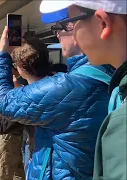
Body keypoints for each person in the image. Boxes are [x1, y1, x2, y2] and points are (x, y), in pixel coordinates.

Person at [0, 26, 114, 179]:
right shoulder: (109, 74)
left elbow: (3, 102)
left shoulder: (66, 85)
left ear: (79, 32)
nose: (57, 33)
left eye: (63, 26)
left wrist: (2, 54)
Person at [39, 1, 127, 179]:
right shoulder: (119, 90)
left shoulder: (123, 120)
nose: (70, 34)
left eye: (70, 23)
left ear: (103, 22)